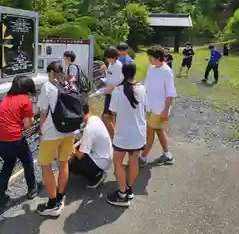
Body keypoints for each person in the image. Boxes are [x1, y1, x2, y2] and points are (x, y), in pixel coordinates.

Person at [0, 75, 39, 210]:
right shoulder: (25, 100)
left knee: (8, 164)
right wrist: (32, 118)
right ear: (27, 88)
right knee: (28, 161)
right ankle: (32, 189)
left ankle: (0, 198)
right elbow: (28, 125)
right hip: (14, 139)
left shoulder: (6, 99)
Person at [36, 62, 75, 217]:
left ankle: (52, 204)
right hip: (70, 130)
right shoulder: (69, 84)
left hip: (52, 132)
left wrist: (40, 131)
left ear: (51, 72)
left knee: (45, 165)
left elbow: (43, 112)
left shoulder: (47, 86)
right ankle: (61, 196)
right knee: (63, 163)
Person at [106, 62, 147, 207]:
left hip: (123, 134)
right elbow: (145, 108)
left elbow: (112, 112)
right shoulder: (142, 88)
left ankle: (122, 194)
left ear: (123, 73)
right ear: (135, 72)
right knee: (133, 160)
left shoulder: (118, 90)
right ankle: (129, 189)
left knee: (118, 162)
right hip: (139, 133)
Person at [139, 46, 177, 166]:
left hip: (160, 109)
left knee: (149, 132)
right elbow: (148, 85)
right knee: (159, 131)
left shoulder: (166, 72)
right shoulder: (151, 68)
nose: (149, 59)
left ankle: (142, 157)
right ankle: (167, 155)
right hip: (150, 106)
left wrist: (165, 111)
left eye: (151, 57)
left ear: (158, 57)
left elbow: (170, 93)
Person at [69, 103, 112, 189]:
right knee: (77, 144)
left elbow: (80, 155)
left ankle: (96, 176)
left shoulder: (89, 129)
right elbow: (84, 139)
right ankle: (95, 171)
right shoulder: (94, 118)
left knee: (71, 165)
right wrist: (75, 145)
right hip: (106, 154)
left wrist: (70, 152)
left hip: (102, 161)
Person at [102, 46, 124, 138]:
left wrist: (110, 89)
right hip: (109, 93)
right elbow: (109, 78)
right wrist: (104, 71)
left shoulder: (118, 66)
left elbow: (119, 82)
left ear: (113, 57)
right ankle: (113, 136)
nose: (106, 59)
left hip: (114, 95)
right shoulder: (111, 64)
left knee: (106, 117)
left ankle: (114, 137)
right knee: (107, 117)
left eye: (107, 57)